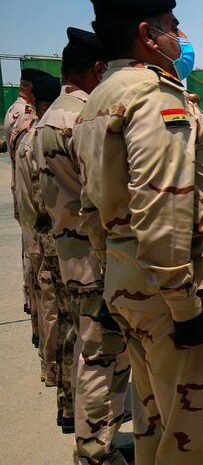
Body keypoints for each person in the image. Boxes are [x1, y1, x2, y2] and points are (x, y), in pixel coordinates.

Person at [73, 0, 203, 464]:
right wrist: (186, 309)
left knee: (152, 424)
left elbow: (91, 209)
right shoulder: (154, 96)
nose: (178, 37)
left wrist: (110, 276)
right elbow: (166, 208)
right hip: (170, 296)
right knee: (187, 435)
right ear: (147, 33)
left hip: (129, 284)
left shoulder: (98, 100)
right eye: (172, 28)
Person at [35, 27, 134, 463]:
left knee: (90, 356)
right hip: (96, 261)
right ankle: (96, 452)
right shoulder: (80, 119)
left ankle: (94, 447)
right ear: (98, 69)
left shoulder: (50, 116)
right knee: (101, 363)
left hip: (72, 256)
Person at [16, 74, 73, 431]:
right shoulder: (52, 137)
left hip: (40, 240)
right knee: (71, 328)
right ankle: (74, 408)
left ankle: (55, 380)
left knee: (53, 318)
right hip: (62, 246)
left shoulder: (28, 139)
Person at [5, 68, 47, 317]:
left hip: (21, 187)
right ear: (32, 89)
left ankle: (31, 299)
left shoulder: (13, 110)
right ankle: (34, 301)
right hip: (28, 187)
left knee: (30, 250)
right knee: (35, 252)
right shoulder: (25, 114)